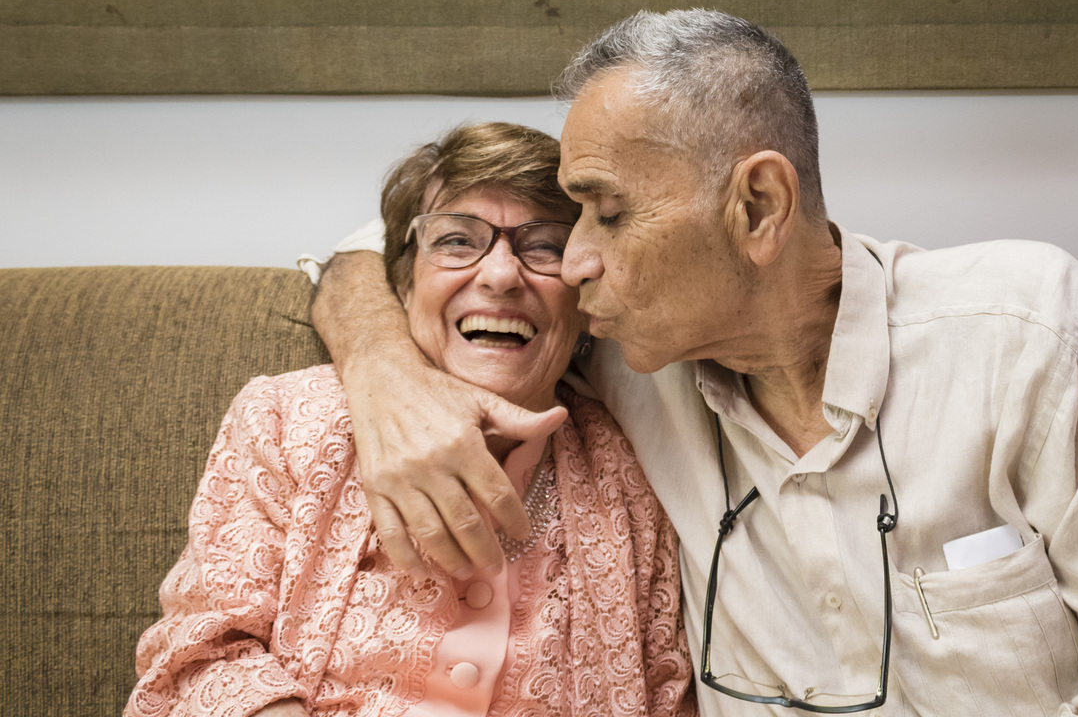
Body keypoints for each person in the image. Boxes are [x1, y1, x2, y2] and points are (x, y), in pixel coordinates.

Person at [309, 11, 1078, 715]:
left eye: (608, 214)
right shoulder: (624, 358)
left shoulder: (1025, 331)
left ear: (759, 206)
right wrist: (387, 376)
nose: (575, 260)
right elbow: (382, 252)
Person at [126, 122, 697, 717]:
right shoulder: (284, 420)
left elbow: (664, 691)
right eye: (456, 241)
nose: (500, 276)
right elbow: (204, 655)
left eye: (546, 247)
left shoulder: (632, 469)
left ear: (582, 296)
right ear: (402, 283)